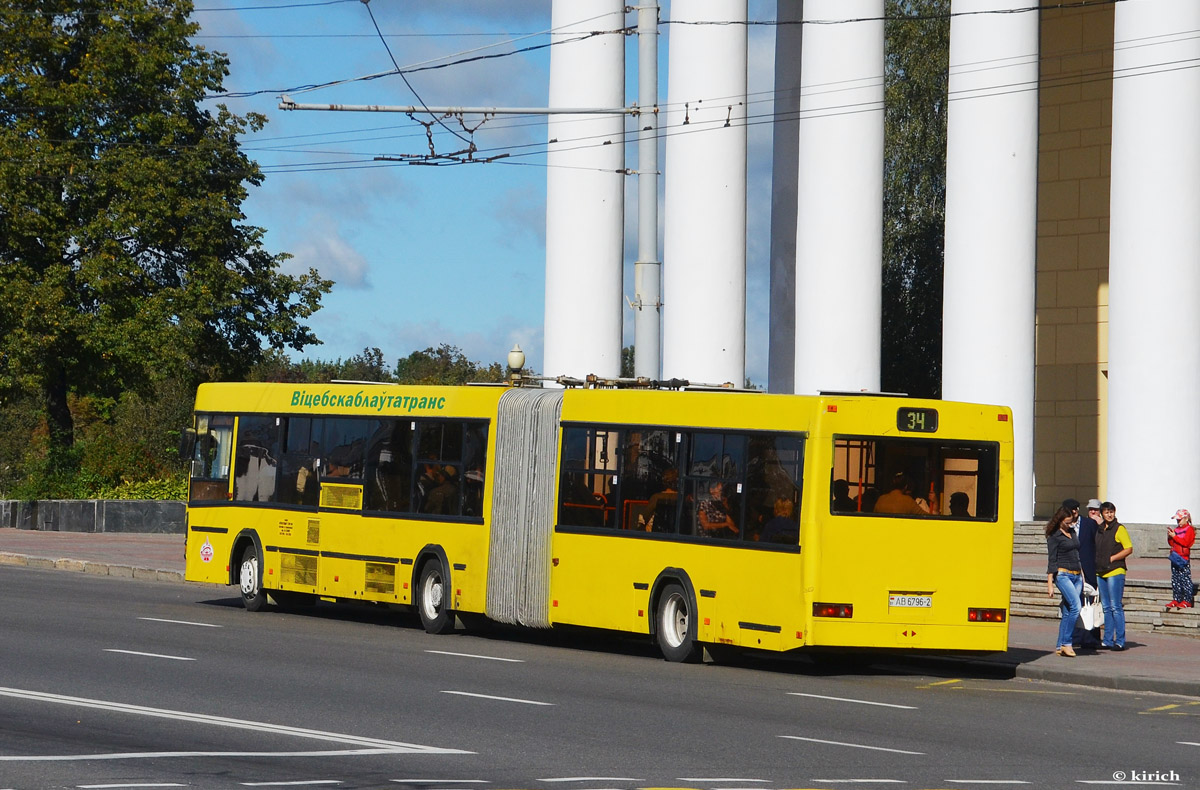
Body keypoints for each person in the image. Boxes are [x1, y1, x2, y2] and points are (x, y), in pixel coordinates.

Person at [1044, 505, 1083, 657]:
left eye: (1071, 522)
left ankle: (1060, 645)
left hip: (1077, 575)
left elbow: (1076, 553)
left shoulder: (1072, 532)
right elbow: (1051, 561)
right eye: (1067, 522)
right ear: (1060, 520)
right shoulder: (1054, 536)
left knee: (1068, 611)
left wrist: (1082, 574)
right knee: (1076, 607)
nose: (1069, 525)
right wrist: (1050, 584)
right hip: (1063, 575)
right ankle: (1067, 643)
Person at [1095, 501, 1134, 650]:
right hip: (1101, 571)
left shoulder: (1119, 529)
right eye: (1106, 512)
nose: (1109, 514)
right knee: (1106, 607)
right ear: (1102, 514)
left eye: (1111, 511)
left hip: (1115, 570)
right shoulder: (1100, 529)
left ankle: (1120, 640)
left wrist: (1112, 558)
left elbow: (1128, 548)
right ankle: (1107, 640)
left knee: (1115, 606)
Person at [1075, 498, 1104, 648]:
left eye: (1096, 509)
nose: (1093, 512)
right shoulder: (1084, 523)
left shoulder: (1103, 526)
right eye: (1091, 509)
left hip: (1093, 569)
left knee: (1092, 604)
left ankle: (1091, 639)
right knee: (1078, 604)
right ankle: (1077, 637)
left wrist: (1101, 526)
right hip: (1078, 570)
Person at [1167, 508, 1195, 609]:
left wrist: (1174, 537)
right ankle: (1176, 598)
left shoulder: (1190, 529)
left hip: (1183, 558)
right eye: (1177, 520)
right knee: (1175, 579)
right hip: (1175, 557)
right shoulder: (1177, 529)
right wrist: (1170, 536)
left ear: (1186, 519)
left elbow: (1186, 543)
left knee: (1185, 579)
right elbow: (1171, 543)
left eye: (1180, 520)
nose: (1178, 522)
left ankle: (1187, 600)